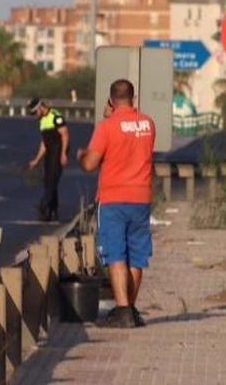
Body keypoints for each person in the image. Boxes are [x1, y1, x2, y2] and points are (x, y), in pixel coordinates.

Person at [77, 79, 156, 328]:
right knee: (137, 256)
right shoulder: (148, 124)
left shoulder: (107, 127)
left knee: (116, 255)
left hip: (113, 199)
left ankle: (122, 310)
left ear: (111, 100)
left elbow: (90, 164)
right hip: (141, 198)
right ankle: (130, 310)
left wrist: (81, 155)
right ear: (135, 98)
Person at [27, 98, 70, 222]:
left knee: (52, 180)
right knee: (49, 181)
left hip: (58, 151)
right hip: (50, 152)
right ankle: (53, 210)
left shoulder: (55, 116)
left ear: (41, 108)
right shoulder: (42, 121)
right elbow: (44, 143)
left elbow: (65, 134)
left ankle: (43, 206)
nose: (35, 116)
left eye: (35, 113)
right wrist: (36, 160)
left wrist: (63, 154)